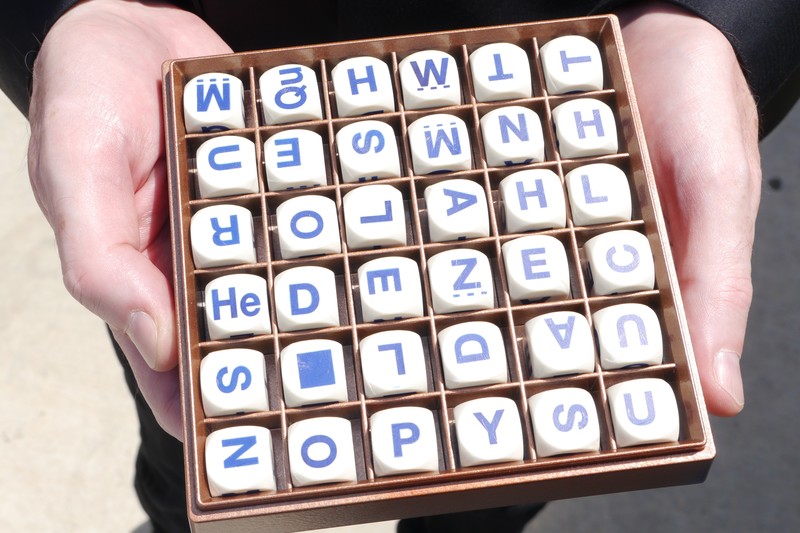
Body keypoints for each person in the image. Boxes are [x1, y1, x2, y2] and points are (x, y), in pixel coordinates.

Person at [2, 1, 799, 531]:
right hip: (205, 135)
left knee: (509, 463)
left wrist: (713, 20)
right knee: (192, 426)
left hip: (555, 108)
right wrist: (67, 13)